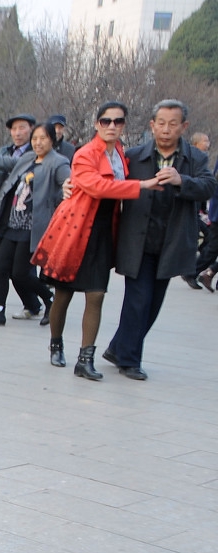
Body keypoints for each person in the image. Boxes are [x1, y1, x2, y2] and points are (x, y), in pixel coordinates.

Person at [33, 102, 163, 379]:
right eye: (106, 121)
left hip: (103, 231)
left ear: (124, 125)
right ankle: (56, 345)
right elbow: (97, 186)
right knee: (64, 294)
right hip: (75, 229)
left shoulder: (121, 153)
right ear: (96, 124)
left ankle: (85, 359)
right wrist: (141, 186)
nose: (112, 126)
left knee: (97, 295)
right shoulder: (84, 154)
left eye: (118, 121)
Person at [105, 100, 217, 380]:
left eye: (173, 124)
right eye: (161, 123)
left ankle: (119, 348)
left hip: (171, 242)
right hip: (137, 241)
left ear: (184, 127)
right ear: (152, 125)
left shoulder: (195, 159)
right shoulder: (133, 156)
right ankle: (129, 360)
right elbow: (108, 180)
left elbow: (208, 187)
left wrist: (182, 181)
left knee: (153, 304)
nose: (166, 130)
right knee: (137, 301)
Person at [0, 123, 71, 327]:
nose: (38, 142)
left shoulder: (59, 163)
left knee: (20, 273)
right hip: (13, 223)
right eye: (35, 138)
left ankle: (49, 298)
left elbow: (68, 185)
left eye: (42, 138)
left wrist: (63, 193)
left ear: (52, 140)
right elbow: (4, 164)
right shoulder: (27, 159)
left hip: (33, 227)